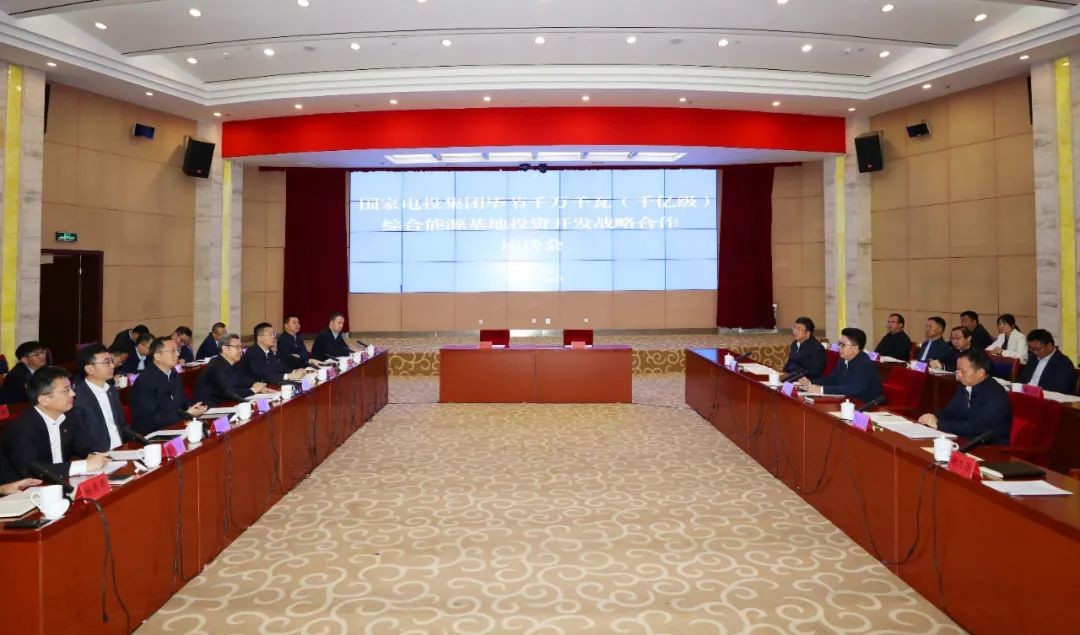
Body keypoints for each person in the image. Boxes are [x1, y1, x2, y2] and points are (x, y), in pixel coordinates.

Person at [0, 366, 109, 479]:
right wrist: (83, 465)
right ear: (44, 400)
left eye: (71, 388)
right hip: (30, 487)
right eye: (66, 390)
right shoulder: (21, 428)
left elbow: (82, 446)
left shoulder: (69, 415)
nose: (73, 394)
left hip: (62, 480)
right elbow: (31, 470)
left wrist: (94, 455)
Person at [918, 350, 1012, 445]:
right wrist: (933, 418)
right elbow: (951, 412)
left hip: (988, 448)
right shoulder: (966, 386)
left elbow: (976, 427)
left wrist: (939, 424)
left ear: (980, 373)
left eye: (963, 371)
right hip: (965, 440)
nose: (958, 375)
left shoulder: (995, 395)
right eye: (957, 370)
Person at [130, 337, 207, 434]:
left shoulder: (174, 374)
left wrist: (194, 408)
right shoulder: (145, 382)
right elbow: (150, 419)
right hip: (154, 433)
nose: (178, 354)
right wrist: (186, 414)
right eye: (172, 351)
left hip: (176, 426)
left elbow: (183, 402)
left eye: (177, 350)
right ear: (157, 356)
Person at [798, 327, 884, 403]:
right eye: (839, 344)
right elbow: (833, 379)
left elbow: (852, 389)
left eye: (843, 345)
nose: (839, 347)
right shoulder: (843, 360)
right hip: (848, 402)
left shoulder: (865, 364)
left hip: (867, 407)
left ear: (855, 348)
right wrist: (810, 382)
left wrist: (821, 389)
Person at [71, 344, 126, 452]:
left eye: (111, 361)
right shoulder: (77, 398)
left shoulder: (112, 390)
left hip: (121, 449)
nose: (112, 366)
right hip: (98, 455)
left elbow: (121, 424)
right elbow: (80, 440)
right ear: (89, 369)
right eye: (106, 362)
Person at [194, 334, 267, 406]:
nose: (241, 350)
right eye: (237, 347)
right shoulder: (216, 366)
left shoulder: (231, 363)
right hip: (210, 408)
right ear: (225, 349)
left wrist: (255, 384)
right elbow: (229, 392)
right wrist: (253, 390)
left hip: (225, 403)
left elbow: (241, 380)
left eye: (241, 347)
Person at [241, 323, 308, 384]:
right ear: (259, 338)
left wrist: (294, 371)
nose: (273, 337)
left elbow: (278, 367)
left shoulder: (268, 351)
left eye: (274, 334)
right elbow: (264, 376)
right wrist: (288, 376)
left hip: (270, 385)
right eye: (270, 334)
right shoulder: (253, 352)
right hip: (254, 389)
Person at [1016, 329, 1076, 395]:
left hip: (1046, 396)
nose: (1035, 352)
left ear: (1049, 346)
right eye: (1032, 349)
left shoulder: (1063, 363)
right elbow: (1023, 378)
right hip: (1027, 393)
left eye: (1038, 349)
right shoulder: (1033, 358)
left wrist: (1033, 391)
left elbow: (1060, 389)